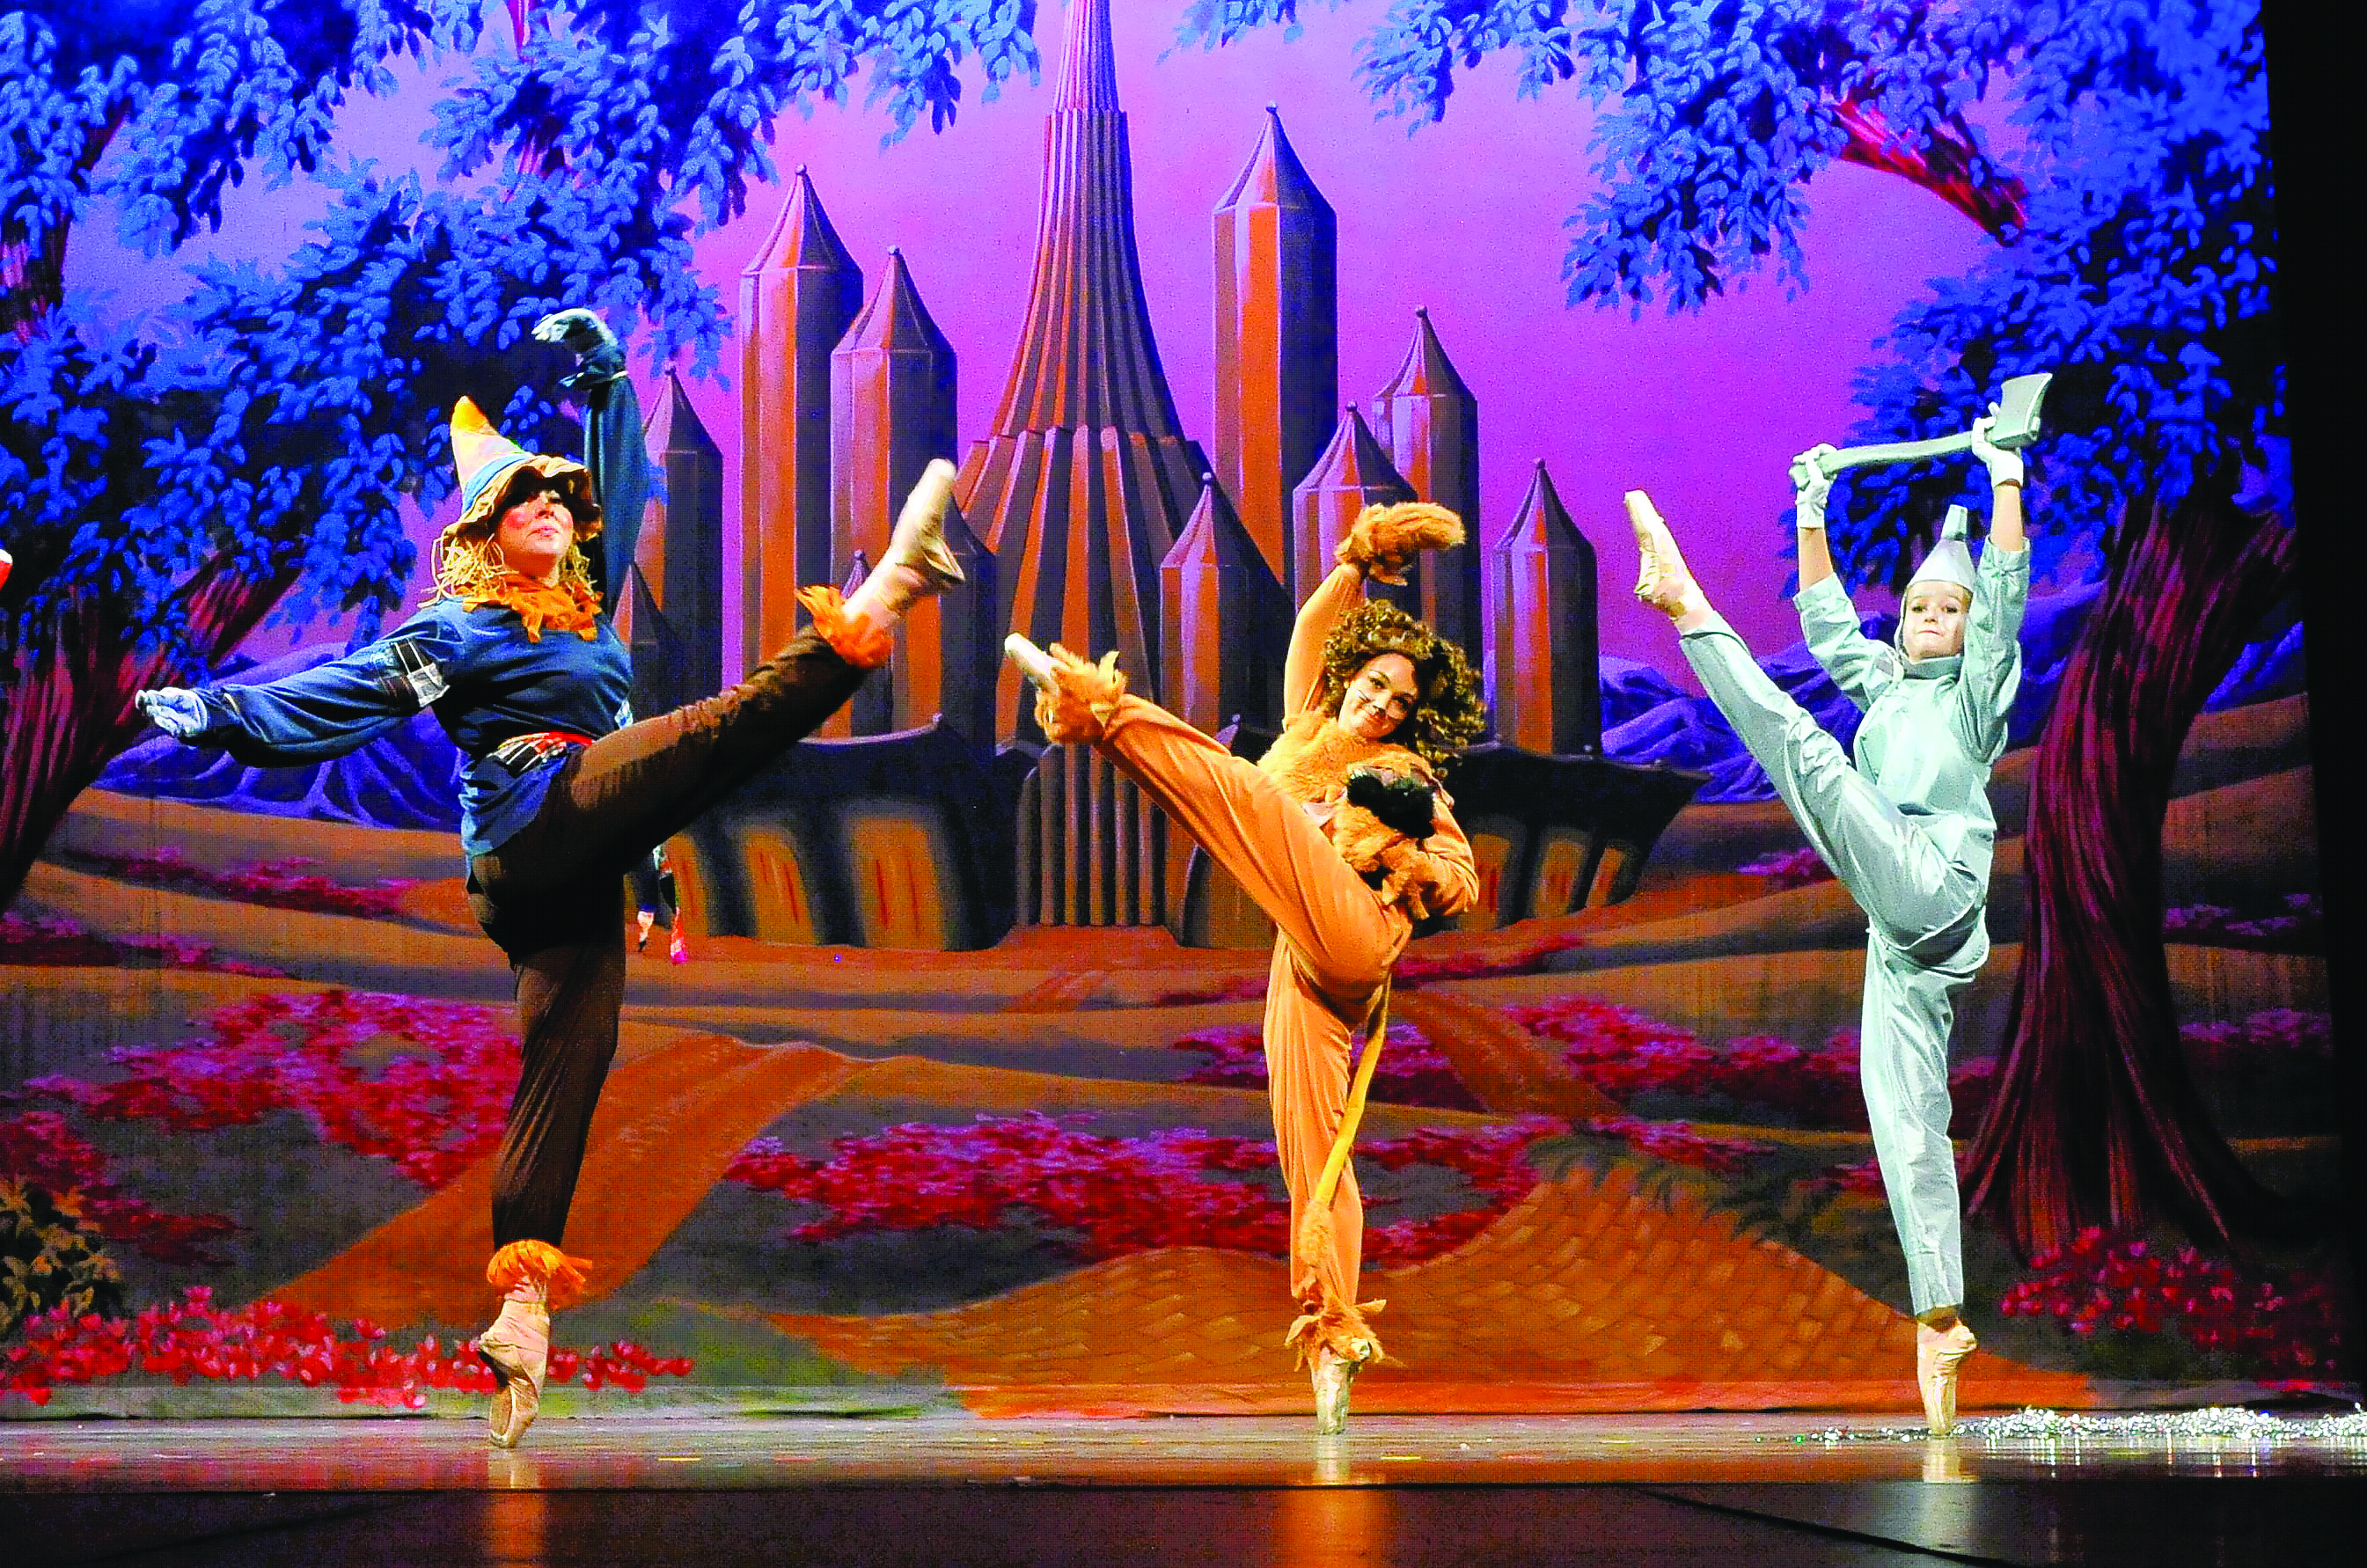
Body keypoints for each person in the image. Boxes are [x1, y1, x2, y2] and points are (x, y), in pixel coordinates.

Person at [136, 310, 963, 1446]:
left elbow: (616, 498)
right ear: (485, 528)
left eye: (554, 500)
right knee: (712, 732)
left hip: (582, 864)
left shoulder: (586, 609)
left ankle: (520, 1318)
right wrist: (222, 714)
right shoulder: (462, 628)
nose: (550, 512)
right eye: (523, 500)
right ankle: (880, 602)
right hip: (528, 833)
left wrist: (606, 379)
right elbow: (344, 693)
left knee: (568, 1060)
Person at [1006, 503, 1484, 1434]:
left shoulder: (1405, 775)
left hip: (1356, 937)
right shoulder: (1309, 719)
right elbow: (1311, 629)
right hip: (1300, 958)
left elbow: (1461, 882)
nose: (1381, 706)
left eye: (1398, 704)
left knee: (1239, 796)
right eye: (1375, 686)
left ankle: (1102, 708)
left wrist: (1407, 859)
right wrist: (1358, 558)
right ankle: (1333, 1332)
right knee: (1309, 1148)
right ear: (1350, 677)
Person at [1624, 410, 2029, 1434]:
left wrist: (2004, 482)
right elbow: (1824, 623)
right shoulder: (1888, 683)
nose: (1928, 619)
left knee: (1806, 757)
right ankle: (1939, 1319)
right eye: (1919, 606)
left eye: (1948, 608)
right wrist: (1810, 506)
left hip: (1931, 883)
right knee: (1903, 1121)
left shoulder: (1972, 703)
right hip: (1904, 943)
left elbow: (2004, 604)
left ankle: (1685, 606)